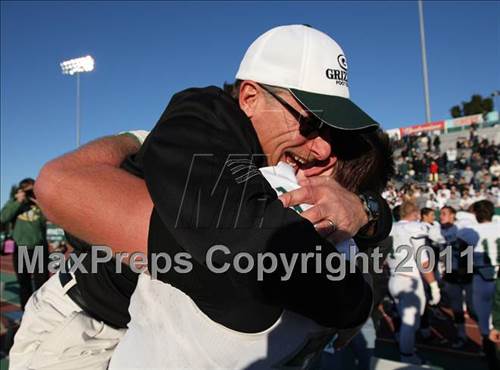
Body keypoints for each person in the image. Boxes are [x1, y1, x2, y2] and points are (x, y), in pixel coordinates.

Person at [24, 25, 393, 369]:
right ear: (249, 97)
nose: (322, 145)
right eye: (311, 122)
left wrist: (368, 210)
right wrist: (356, 299)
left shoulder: (268, 167)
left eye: (331, 129)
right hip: (83, 325)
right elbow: (247, 249)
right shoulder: (204, 121)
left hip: (137, 324)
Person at [385, 201, 441, 364]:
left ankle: (407, 351)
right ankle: (407, 357)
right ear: (415, 214)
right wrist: (433, 285)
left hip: (394, 278)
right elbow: (423, 262)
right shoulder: (413, 229)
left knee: (405, 321)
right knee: (410, 323)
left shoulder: (391, 228)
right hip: (409, 281)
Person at [0, 178, 48, 310]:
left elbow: (50, 218)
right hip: (22, 248)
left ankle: (43, 312)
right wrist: (18, 201)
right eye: (28, 190)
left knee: (43, 284)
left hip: (39, 248)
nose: (30, 192)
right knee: (24, 283)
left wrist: (40, 203)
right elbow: (3, 217)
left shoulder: (38, 204)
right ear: (21, 190)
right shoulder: (14, 202)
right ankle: (26, 313)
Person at [468, 200, 499, 370]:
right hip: (497, 276)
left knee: (485, 324)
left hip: (480, 279)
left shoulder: (471, 231)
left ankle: (491, 360)